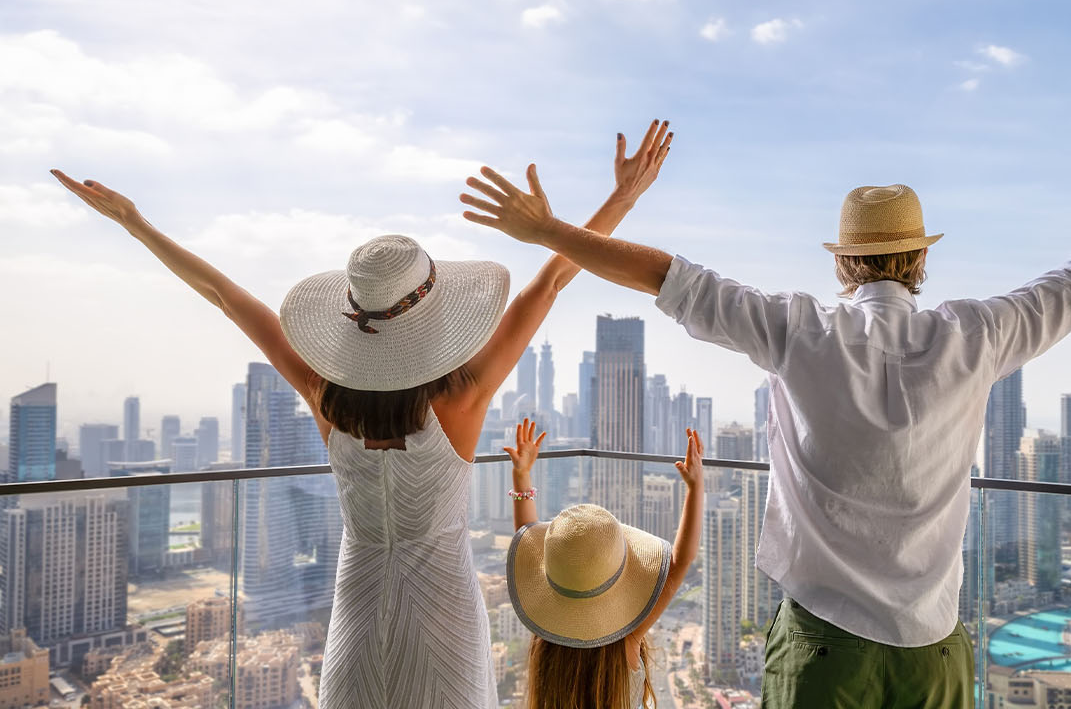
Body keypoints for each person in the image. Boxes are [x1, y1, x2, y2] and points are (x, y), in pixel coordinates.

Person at [466, 135, 1071, 708]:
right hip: (936, 649)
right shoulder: (979, 332)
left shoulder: (799, 331)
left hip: (824, 651)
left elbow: (667, 277)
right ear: (921, 260)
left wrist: (548, 231)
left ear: (841, 262)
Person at [48, 121, 674, 709]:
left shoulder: (326, 398)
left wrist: (134, 222)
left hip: (357, 608)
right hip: (445, 620)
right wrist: (623, 198)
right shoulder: (462, 398)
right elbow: (554, 278)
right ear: (435, 326)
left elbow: (224, 296)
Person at [502, 419, 703, 709]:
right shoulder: (628, 643)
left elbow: (530, 540)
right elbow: (680, 562)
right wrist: (695, 487)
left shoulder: (546, 640)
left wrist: (521, 476)